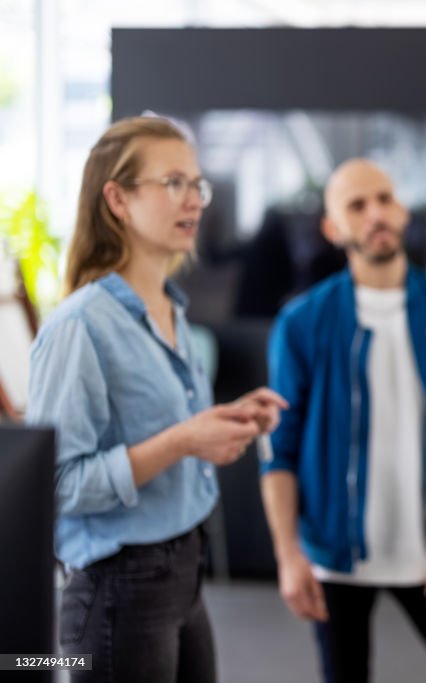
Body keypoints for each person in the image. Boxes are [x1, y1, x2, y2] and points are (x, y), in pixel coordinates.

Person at [26, 116, 287, 682]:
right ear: (117, 198)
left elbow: (167, 434)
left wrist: (220, 423)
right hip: (120, 584)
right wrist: (182, 441)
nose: (193, 200)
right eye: (173, 183)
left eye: (198, 185)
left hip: (183, 569)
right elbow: (54, 485)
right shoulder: (80, 325)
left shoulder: (171, 309)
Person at [261, 159, 426, 683]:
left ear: (402, 210)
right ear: (333, 229)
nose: (375, 213)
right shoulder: (302, 323)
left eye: (384, 198)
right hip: (335, 556)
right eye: (357, 205)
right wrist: (289, 557)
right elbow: (279, 449)